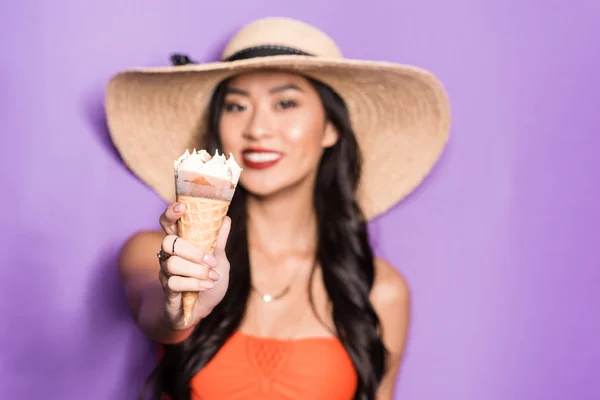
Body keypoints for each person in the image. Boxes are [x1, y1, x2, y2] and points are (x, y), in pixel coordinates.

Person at [105, 17, 450, 400]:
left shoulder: (380, 291)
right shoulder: (159, 253)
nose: (257, 128)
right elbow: (156, 316)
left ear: (331, 128)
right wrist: (182, 304)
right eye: (236, 106)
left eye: (285, 103)